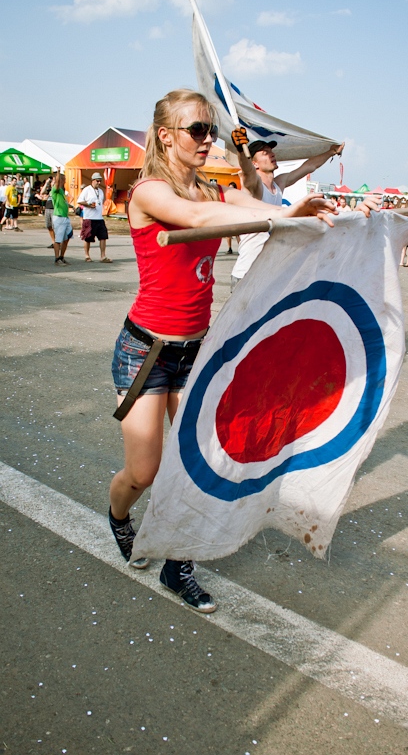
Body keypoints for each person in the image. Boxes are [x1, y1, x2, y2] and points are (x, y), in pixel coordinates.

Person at [108, 88, 366, 613]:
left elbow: (258, 206)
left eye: (211, 131)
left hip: (196, 353)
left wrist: (296, 210)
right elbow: (199, 220)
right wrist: (272, 215)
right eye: (197, 130)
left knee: (204, 463)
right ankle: (118, 518)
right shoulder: (149, 192)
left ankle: (179, 566)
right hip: (146, 354)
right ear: (166, 136)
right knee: (144, 472)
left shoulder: (212, 189)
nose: (208, 140)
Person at [229, 128, 344, 286]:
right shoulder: (255, 185)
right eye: (265, 153)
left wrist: (331, 152)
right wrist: (241, 151)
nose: (272, 154)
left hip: (269, 271)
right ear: (254, 163)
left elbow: (309, 166)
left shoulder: (279, 184)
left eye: (271, 151)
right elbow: (248, 172)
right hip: (247, 272)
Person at [77, 173, 112, 262]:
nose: (99, 182)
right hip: (89, 217)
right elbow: (80, 201)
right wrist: (88, 205)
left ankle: (103, 256)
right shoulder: (87, 190)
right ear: (93, 180)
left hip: (99, 218)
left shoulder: (100, 191)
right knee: (88, 237)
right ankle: (87, 255)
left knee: (103, 236)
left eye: (100, 181)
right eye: (97, 181)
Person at [50, 172, 73, 265]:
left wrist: (71, 206)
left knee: (67, 237)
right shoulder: (55, 190)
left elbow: (64, 202)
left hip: (65, 217)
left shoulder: (62, 191)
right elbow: (57, 182)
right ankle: (56, 259)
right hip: (58, 217)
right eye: (64, 179)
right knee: (58, 239)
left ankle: (62, 256)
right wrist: (58, 172)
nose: (65, 181)